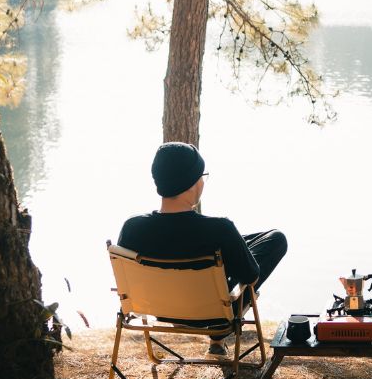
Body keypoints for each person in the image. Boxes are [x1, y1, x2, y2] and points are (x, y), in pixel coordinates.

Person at [116, 142, 287, 354]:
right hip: (212, 314)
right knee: (276, 239)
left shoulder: (132, 228)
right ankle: (217, 335)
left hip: (159, 310)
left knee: (232, 245)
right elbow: (251, 277)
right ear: (193, 182)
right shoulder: (220, 229)